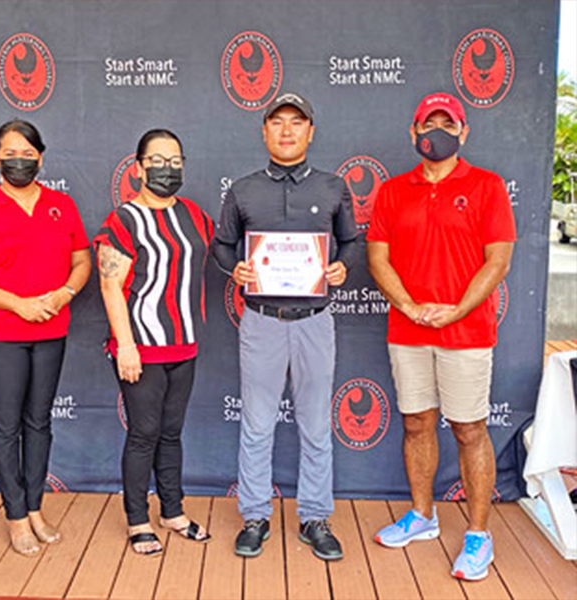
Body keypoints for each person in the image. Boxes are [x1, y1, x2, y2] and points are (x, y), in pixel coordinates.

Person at [368, 93, 515, 581]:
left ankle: (477, 534)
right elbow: (378, 258)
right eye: (428, 124)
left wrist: (457, 310)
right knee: (416, 424)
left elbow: (498, 260)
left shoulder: (488, 187)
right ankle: (423, 516)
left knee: (470, 429)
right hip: (407, 330)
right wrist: (410, 306)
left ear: (463, 132)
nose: (437, 132)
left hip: (467, 333)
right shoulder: (391, 191)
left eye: (446, 124)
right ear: (413, 133)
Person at [212, 92, 358, 560]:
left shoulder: (333, 187)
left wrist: (341, 268)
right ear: (264, 132)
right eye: (278, 122)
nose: (288, 130)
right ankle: (255, 515)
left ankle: (315, 517)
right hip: (262, 321)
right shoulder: (243, 189)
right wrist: (235, 269)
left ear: (311, 131)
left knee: (316, 423)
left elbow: (352, 242)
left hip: (315, 321)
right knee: (257, 424)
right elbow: (221, 245)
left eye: (297, 122)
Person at [0, 120, 91, 557]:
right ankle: (14, 515)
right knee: (6, 426)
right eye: (11, 153)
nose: (20, 160)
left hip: (52, 330)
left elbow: (82, 260)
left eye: (28, 154)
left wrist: (65, 292)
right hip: (0, 336)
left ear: (41, 158)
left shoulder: (61, 205)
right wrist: (18, 304)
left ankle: (34, 507)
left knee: (40, 423)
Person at [95, 129, 214, 555]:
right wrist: (125, 345)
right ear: (138, 167)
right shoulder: (123, 219)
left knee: (172, 432)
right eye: (158, 161)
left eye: (176, 160)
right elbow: (111, 287)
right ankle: (136, 519)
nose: (168, 168)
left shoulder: (196, 215)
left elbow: (221, 258)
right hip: (141, 346)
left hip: (184, 345)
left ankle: (173, 511)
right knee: (143, 433)